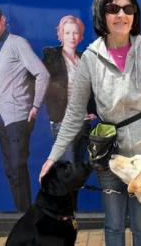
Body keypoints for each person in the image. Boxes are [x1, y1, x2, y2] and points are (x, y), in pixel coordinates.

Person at [39, 0, 141, 246]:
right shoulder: (90, 57)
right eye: (113, 8)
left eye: (128, 8)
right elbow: (75, 113)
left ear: (135, 15)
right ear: (103, 14)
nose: (121, 14)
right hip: (110, 155)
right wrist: (53, 156)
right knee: (112, 224)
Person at [0, 4, 50, 212]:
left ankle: (26, 217)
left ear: (2, 20)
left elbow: (42, 74)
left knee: (18, 168)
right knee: (11, 170)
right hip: (1, 118)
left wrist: (35, 105)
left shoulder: (17, 43)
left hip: (18, 117)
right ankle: (24, 214)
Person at [42, 15, 96, 210]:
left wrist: (92, 110)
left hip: (84, 123)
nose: (71, 36)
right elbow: (43, 81)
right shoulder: (52, 56)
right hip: (63, 123)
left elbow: (93, 88)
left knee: (77, 174)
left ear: (81, 36)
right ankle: (64, 215)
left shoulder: (85, 59)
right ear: (60, 35)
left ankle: (71, 215)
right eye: (67, 32)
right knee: (66, 174)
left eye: (75, 32)